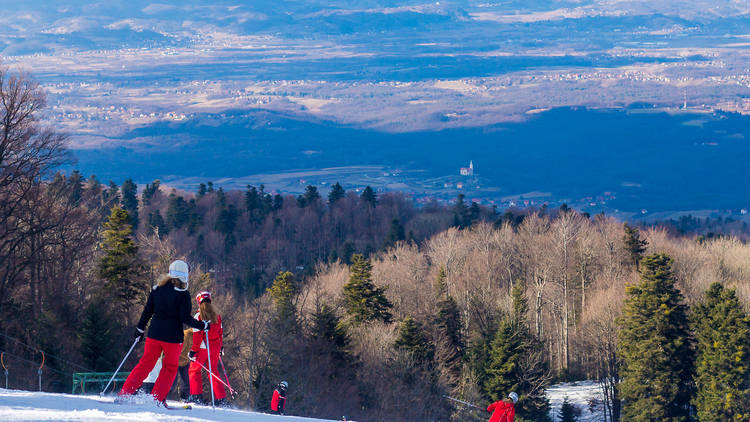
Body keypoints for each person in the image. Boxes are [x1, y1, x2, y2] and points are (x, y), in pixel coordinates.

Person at [118, 260, 209, 406]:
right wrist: (202, 325)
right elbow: (185, 318)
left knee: (144, 365)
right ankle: (157, 399)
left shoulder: (157, 289)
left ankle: (125, 394)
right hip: (172, 339)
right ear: (185, 276)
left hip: (154, 334)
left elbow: (147, 311)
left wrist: (140, 329)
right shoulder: (183, 295)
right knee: (169, 368)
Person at [188, 291, 227, 406]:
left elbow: (197, 337)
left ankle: (196, 396)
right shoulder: (217, 316)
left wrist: (193, 351)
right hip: (215, 347)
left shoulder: (198, 316)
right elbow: (220, 332)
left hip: (203, 347)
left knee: (194, 370)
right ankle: (221, 398)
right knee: (213, 371)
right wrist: (221, 347)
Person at [174, 328, 193, 401]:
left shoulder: (200, 335)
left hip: (185, 361)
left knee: (186, 382)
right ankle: (162, 396)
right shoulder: (187, 334)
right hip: (176, 360)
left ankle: (184, 398)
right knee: (172, 382)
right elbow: (180, 348)